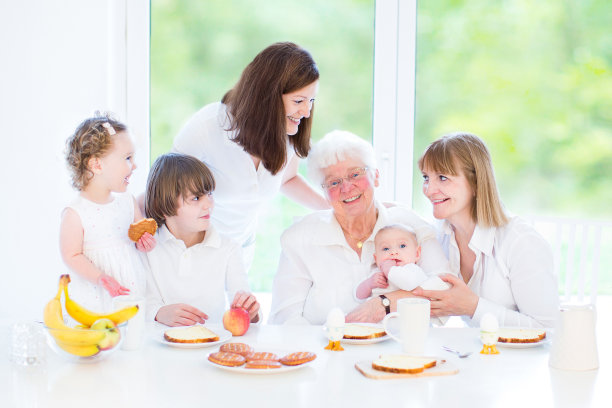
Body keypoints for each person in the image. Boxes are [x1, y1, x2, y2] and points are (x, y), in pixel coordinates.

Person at [171, 42, 329, 269]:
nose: (306, 112)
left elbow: (288, 179)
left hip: (240, 252)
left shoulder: (288, 134)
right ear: (268, 96)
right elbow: (165, 188)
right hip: (192, 253)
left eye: (311, 101)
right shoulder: (208, 126)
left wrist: (334, 210)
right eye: (298, 101)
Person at [269, 130, 449, 325]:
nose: (346, 188)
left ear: (376, 176)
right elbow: (284, 320)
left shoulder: (408, 224)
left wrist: (385, 303)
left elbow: (446, 292)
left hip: (399, 352)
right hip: (327, 351)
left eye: (355, 174)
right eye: (333, 182)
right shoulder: (299, 239)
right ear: (324, 192)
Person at [412, 132, 558, 327]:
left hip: (519, 356)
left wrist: (473, 307)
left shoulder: (521, 242)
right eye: (426, 177)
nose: (429, 190)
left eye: (443, 177)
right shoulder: (441, 234)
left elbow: (548, 329)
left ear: (475, 183)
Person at [144, 153, 260, 326]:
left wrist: (251, 312)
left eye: (210, 194)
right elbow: (135, 302)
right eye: (196, 198)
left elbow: (244, 304)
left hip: (211, 345)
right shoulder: (147, 246)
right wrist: (158, 313)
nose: (208, 205)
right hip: (160, 347)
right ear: (163, 206)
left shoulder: (228, 248)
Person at [60, 113, 154, 313]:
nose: (135, 165)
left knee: (132, 335)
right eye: (128, 158)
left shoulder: (128, 202)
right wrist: (101, 278)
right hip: (95, 295)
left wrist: (145, 242)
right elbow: (71, 255)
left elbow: (140, 238)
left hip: (130, 290)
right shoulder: (76, 213)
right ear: (97, 165)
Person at [355, 224, 450, 300]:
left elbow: (409, 283)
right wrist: (368, 284)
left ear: (417, 254)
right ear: (376, 259)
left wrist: (389, 270)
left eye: (402, 246)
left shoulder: (413, 270)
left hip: (407, 320)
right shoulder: (376, 273)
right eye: (386, 248)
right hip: (379, 322)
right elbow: (358, 296)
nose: (393, 252)